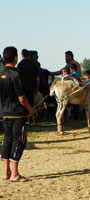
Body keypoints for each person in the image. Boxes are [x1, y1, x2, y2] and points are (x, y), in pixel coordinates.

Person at [0, 46, 34, 182]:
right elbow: (21, 98)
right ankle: (15, 174)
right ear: (15, 59)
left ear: (3, 59)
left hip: (5, 113)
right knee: (18, 141)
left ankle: (6, 172)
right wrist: (30, 110)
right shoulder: (16, 75)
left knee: (7, 140)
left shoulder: (1, 74)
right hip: (18, 114)